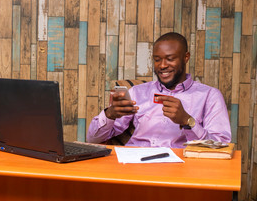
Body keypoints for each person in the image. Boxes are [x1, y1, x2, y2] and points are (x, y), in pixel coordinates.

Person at [87, 32, 231, 148]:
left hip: (181, 171)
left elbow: (221, 145)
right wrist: (110, 114)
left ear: (185, 57)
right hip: (134, 167)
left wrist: (188, 121)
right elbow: (93, 139)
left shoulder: (209, 96)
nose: (162, 65)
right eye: (157, 59)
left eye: (170, 59)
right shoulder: (137, 92)